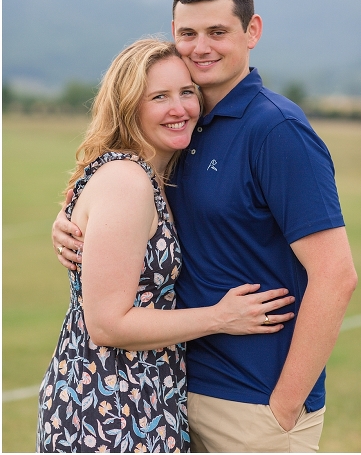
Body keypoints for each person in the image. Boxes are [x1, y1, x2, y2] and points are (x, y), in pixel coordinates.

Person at [53, 0, 358, 452]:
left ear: (251, 32)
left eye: (217, 32)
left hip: (253, 407)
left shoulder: (276, 130)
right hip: (166, 395)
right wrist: (71, 223)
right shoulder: (181, 134)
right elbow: (130, 213)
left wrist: (284, 406)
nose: (201, 47)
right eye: (187, 34)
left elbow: (337, 275)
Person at [39, 39, 295, 453]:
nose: (180, 109)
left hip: (145, 395)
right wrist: (220, 317)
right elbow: (107, 324)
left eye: (187, 92)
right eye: (159, 97)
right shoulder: (127, 181)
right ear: (127, 106)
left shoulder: (151, 172)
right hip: (108, 406)